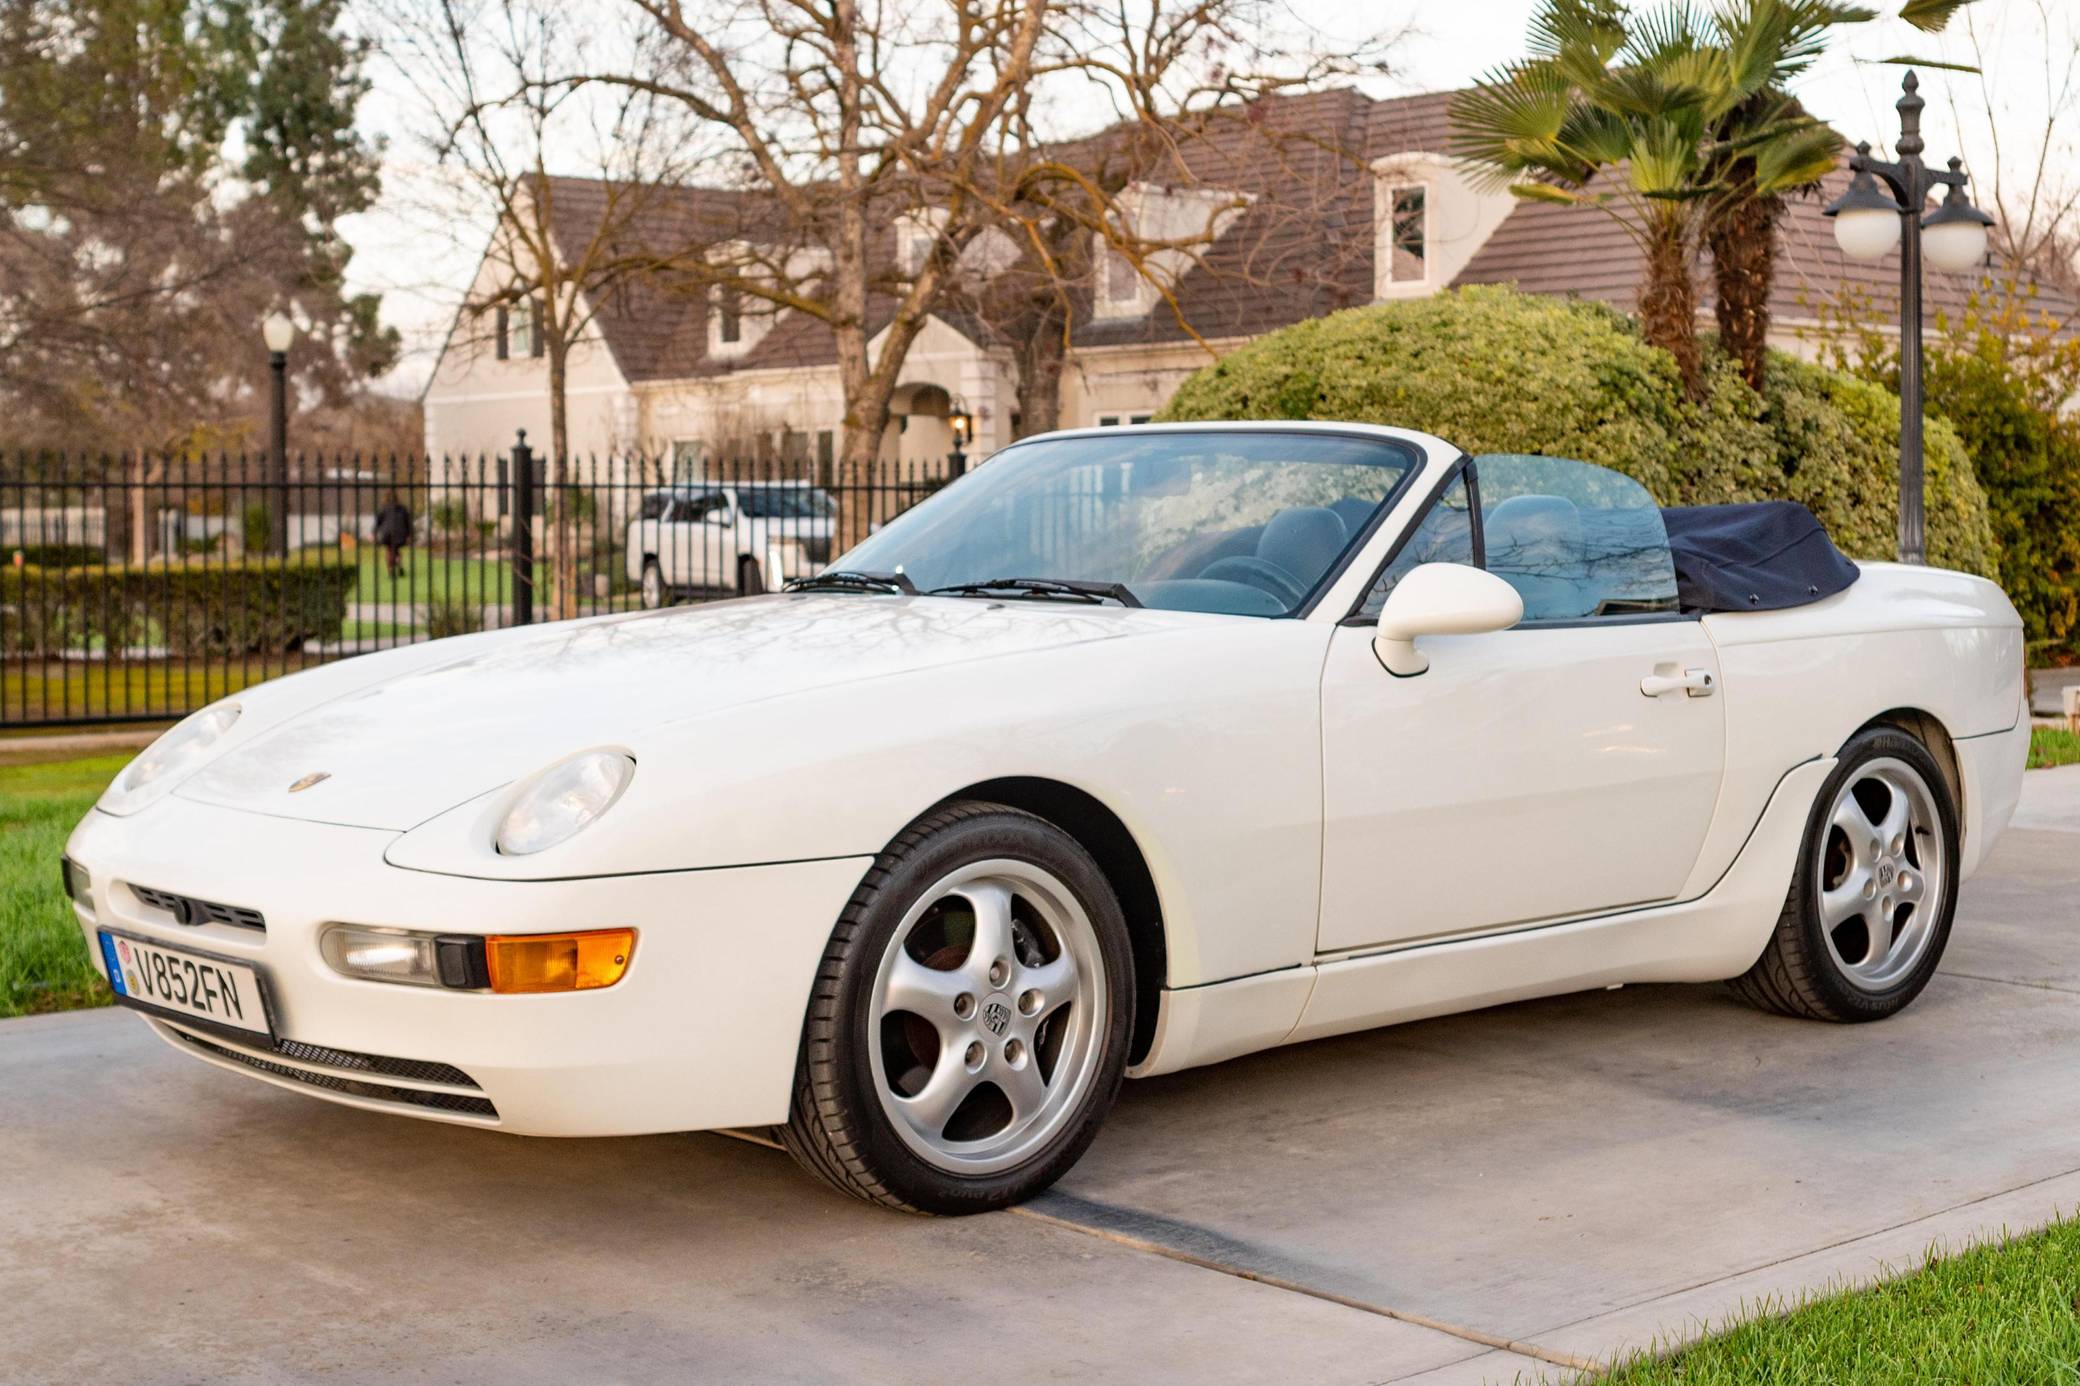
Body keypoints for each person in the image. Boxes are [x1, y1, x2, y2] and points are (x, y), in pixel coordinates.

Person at [372, 496, 412, 579]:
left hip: (387, 533)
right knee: (396, 550)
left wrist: (374, 533)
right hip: (400, 533)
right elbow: (408, 522)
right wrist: (409, 534)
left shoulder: (383, 508)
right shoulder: (403, 509)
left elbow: (378, 522)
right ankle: (398, 563)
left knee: (389, 550)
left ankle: (391, 571)